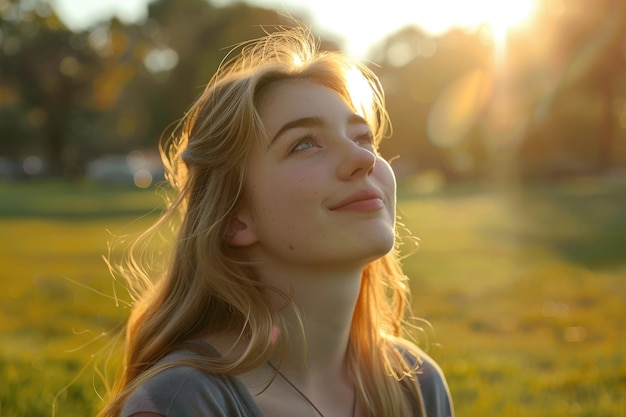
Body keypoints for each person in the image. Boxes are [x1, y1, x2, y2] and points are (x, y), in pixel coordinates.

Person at [98, 25, 454, 417]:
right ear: (234, 217)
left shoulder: (417, 386)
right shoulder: (185, 402)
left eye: (363, 138)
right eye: (304, 143)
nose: (364, 159)